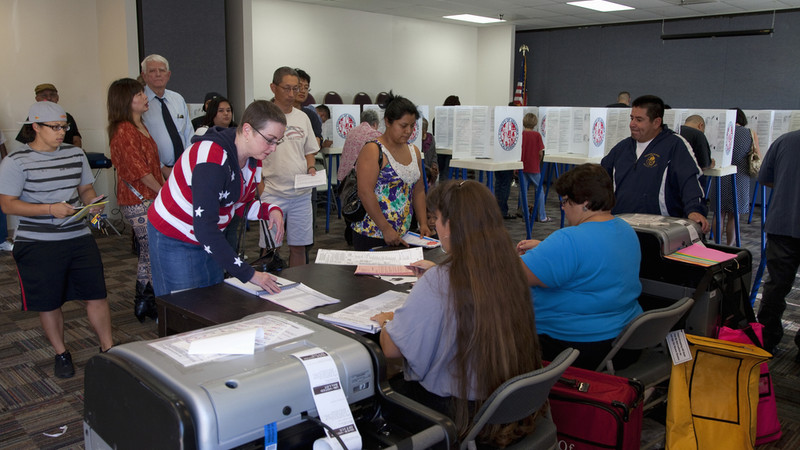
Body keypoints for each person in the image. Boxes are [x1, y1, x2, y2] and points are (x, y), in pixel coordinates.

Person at [370, 180, 541, 447]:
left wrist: (387, 322)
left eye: (436, 219)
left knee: (369, 401)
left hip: (455, 415)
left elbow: (391, 350)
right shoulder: (510, 270)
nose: (436, 227)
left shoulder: (440, 281)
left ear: (452, 225)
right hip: (504, 407)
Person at [0, 101, 113, 378]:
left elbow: (86, 189)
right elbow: (8, 205)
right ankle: (61, 353)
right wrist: (50, 209)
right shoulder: (15, 162)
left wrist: (92, 203)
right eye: (55, 127)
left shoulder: (75, 154)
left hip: (78, 235)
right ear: (35, 127)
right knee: (49, 302)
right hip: (38, 242)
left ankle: (109, 349)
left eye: (64, 127)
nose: (61, 132)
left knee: (96, 294)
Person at [147, 100, 286, 297]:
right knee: (182, 306)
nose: (273, 148)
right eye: (270, 140)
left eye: (277, 141)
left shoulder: (253, 158)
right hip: (175, 234)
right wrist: (250, 275)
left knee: (211, 299)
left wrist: (270, 210)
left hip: (208, 236)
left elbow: (237, 204)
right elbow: (205, 229)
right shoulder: (211, 159)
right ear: (247, 130)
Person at [517, 164, 643, 370]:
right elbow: (591, 258)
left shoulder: (569, 241)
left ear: (585, 202)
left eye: (566, 201)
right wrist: (545, 249)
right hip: (622, 339)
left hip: (571, 346)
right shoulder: (625, 229)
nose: (563, 208)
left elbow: (508, 275)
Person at [601, 95, 710, 233]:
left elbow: (690, 181)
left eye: (639, 120)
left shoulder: (675, 145)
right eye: (632, 118)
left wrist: (695, 210)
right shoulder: (622, 148)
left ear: (656, 122)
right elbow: (600, 179)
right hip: (623, 228)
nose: (632, 124)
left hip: (661, 231)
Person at [107, 77, 165, 322]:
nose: (144, 97)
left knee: (149, 251)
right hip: (137, 199)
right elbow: (139, 171)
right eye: (139, 94)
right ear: (125, 101)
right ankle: (148, 300)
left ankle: (144, 300)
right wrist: (164, 191)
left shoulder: (140, 126)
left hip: (149, 196)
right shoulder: (124, 130)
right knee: (153, 249)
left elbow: (152, 164)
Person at [351, 92, 430, 250]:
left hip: (404, 233)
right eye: (403, 126)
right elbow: (365, 192)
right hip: (373, 232)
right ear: (387, 122)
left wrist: (423, 223)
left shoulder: (414, 151)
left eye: (412, 126)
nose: (408, 131)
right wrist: (386, 229)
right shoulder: (373, 150)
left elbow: (419, 190)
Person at [260, 67, 320, 266]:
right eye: (287, 88)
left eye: (296, 89)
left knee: (299, 246)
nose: (292, 94)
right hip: (272, 192)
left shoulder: (303, 117)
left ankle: (298, 286)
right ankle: (267, 284)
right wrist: (259, 188)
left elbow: (309, 150)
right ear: (273, 88)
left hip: (300, 194)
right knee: (270, 246)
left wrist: (311, 168)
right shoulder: (262, 117)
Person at [756, 129, 800, 355]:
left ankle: (766, 339)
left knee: (775, 286)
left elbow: (765, 179)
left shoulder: (785, 140)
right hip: (783, 224)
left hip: (782, 223)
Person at [140, 54, 194, 180]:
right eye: (152, 71)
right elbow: (141, 144)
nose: (158, 74)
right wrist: (162, 168)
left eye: (162, 70)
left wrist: (187, 163)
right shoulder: (140, 102)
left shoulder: (178, 99)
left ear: (168, 74)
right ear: (144, 76)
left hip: (183, 167)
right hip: (155, 172)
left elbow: (188, 133)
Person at [713, 108, 761, 246]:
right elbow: (757, 154)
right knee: (734, 216)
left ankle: (716, 244)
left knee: (719, 214)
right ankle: (730, 245)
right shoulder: (750, 133)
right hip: (740, 176)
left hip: (720, 174)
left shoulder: (722, 132)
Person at [16, 83, 82, 148]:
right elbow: (27, 144)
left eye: (52, 95)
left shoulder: (67, 116)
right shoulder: (33, 119)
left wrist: (74, 154)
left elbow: (77, 140)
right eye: (44, 95)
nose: (49, 98)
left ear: (57, 98)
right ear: (37, 99)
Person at [520, 113, 550, 222]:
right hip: (534, 166)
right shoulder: (537, 135)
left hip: (522, 166)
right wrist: (538, 160)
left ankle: (525, 215)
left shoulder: (521, 134)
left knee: (523, 191)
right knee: (539, 190)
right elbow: (540, 152)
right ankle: (542, 216)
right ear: (535, 123)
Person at [420, 118, 438, 185]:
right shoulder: (415, 142)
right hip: (422, 170)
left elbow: (434, 155)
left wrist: (434, 165)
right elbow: (418, 160)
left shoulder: (430, 138)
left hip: (430, 170)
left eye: (425, 129)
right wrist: (429, 169)